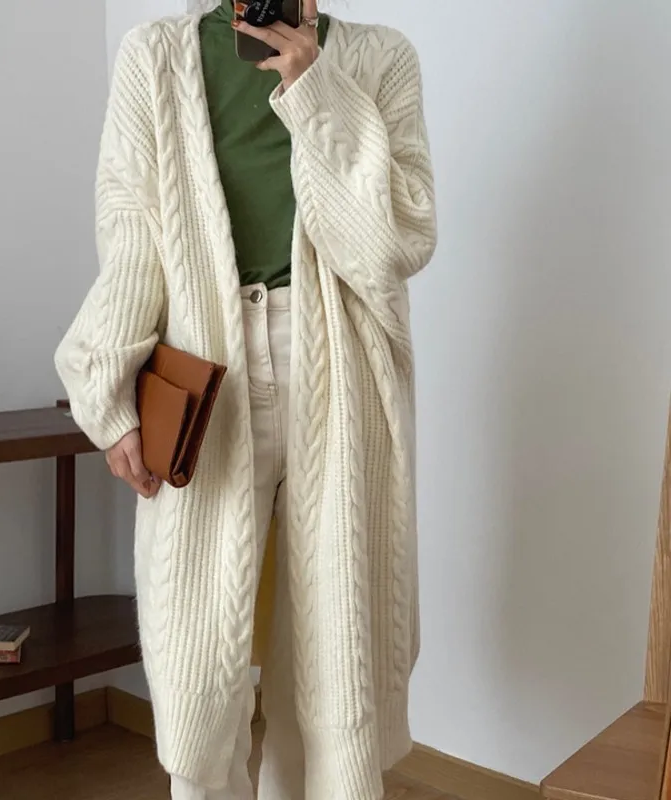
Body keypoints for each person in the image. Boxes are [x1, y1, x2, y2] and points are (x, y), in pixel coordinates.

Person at [55, 0, 437, 797]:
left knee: (336, 642)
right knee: (196, 651)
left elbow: (396, 242)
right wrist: (108, 390)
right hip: (203, 371)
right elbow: (131, 233)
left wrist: (316, 92)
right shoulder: (155, 57)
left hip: (341, 365)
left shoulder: (381, 59)